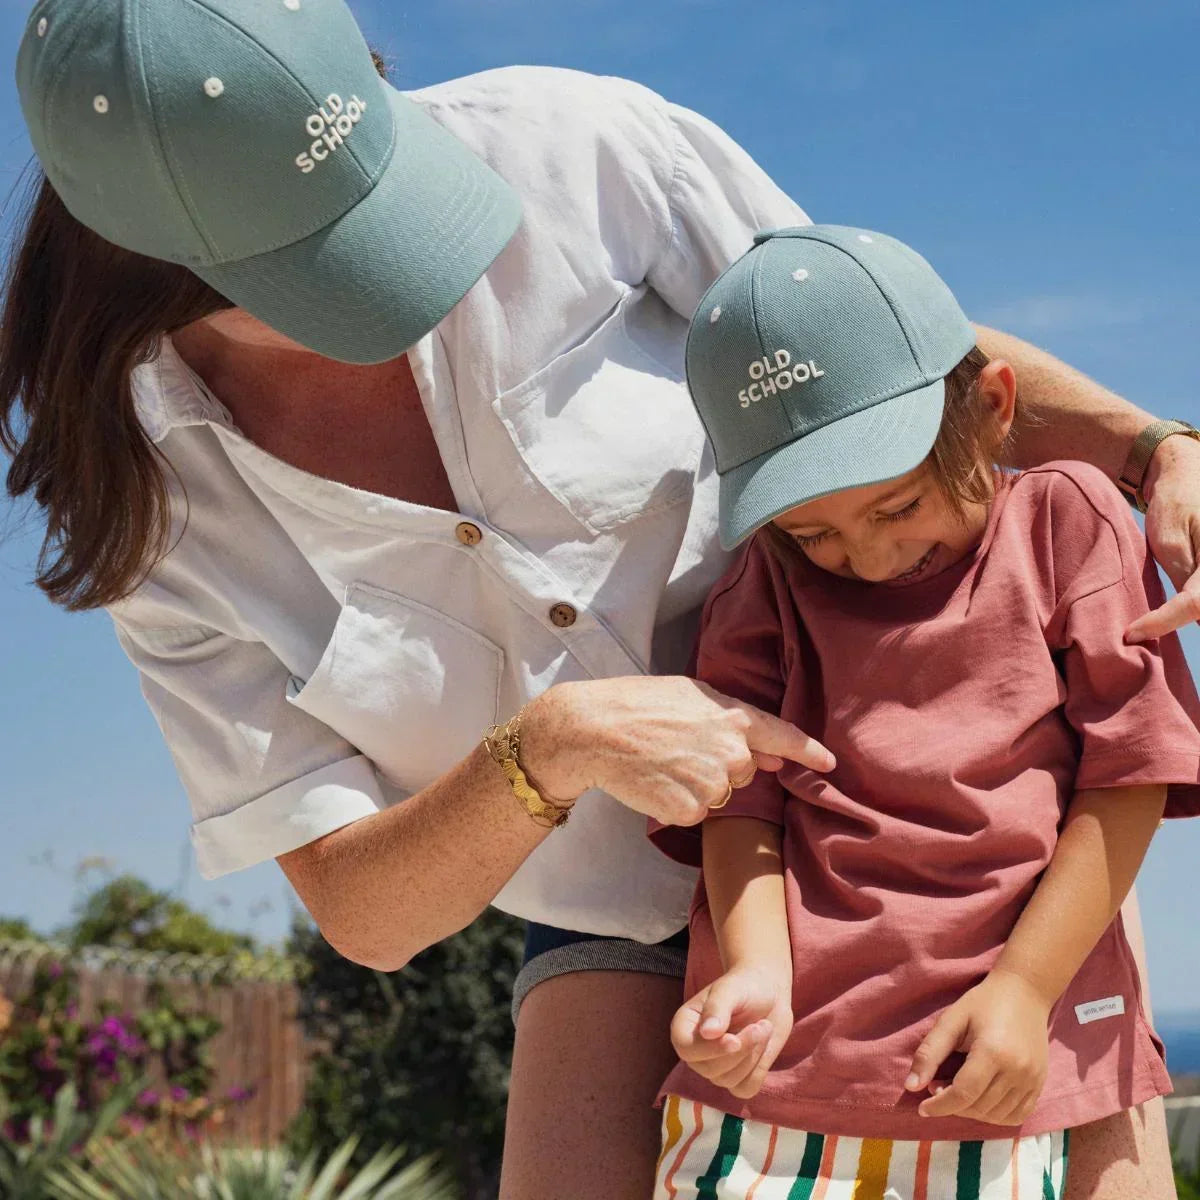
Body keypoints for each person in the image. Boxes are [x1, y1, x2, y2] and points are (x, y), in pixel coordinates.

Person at [3, 1, 1198, 1195]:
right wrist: (547, 750)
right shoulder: (148, 513)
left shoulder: (583, 150)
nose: (404, 267)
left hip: (959, 836)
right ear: (149, 258)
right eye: (329, 246)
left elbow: (884, 360)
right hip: (615, 909)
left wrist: (1156, 452)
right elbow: (366, 911)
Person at [649, 226, 1200, 1198]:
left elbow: (1132, 777)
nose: (862, 557)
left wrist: (1026, 992)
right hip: (767, 1099)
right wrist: (754, 974)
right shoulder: (765, 582)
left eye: (898, 508)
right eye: (812, 530)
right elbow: (741, 804)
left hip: (995, 1071)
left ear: (990, 408)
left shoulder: (1071, 521)